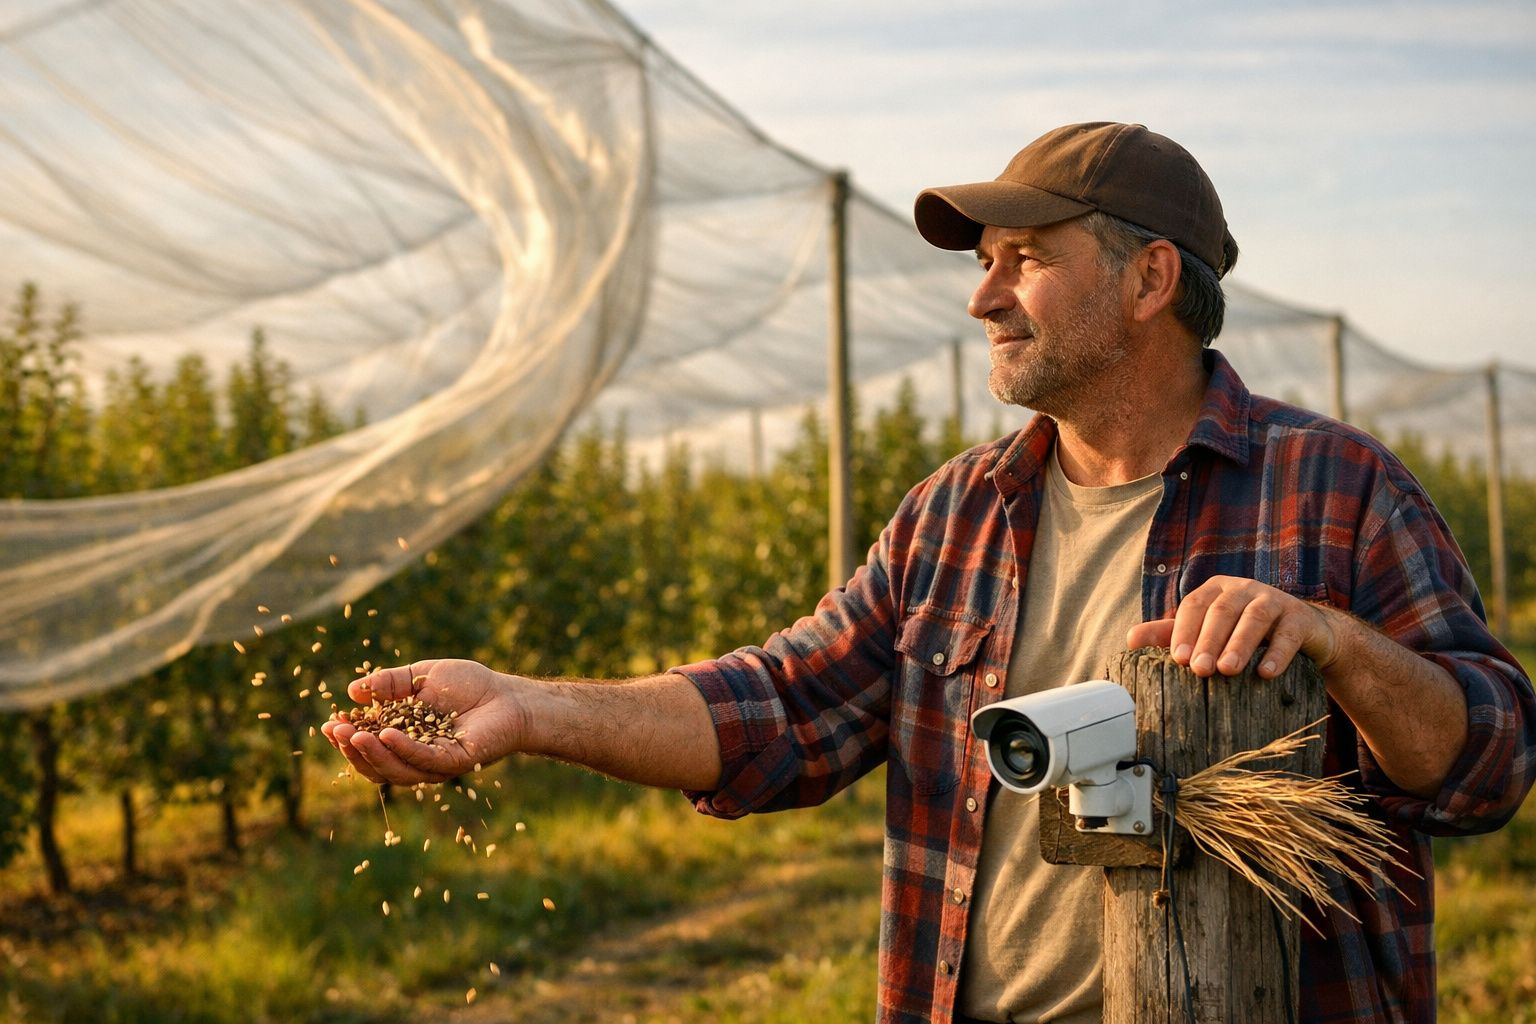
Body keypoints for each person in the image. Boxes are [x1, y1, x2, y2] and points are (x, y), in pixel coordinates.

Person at [323, 122, 1535, 1024]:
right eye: (987, 261)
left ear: (1152, 279)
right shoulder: (958, 513)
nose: (982, 296)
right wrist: (530, 707)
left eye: (1023, 258)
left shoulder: (1338, 490)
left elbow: (1492, 761)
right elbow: (784, 705)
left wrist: (1333, 640)